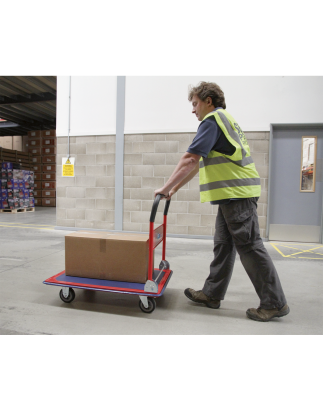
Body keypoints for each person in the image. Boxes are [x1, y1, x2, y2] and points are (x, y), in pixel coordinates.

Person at [154, 81, 289, 322]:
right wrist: (173, 188)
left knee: (250, 247)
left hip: (237, 195)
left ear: (209, 101)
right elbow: (198, 164)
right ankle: (211, 294)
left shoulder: (213, 121)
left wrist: (163, 188)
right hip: (231, 196)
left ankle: (274, 302)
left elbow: (189, 160)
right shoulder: (223, 121)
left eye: (195, 104)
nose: (192, 109)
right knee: (223, 245)